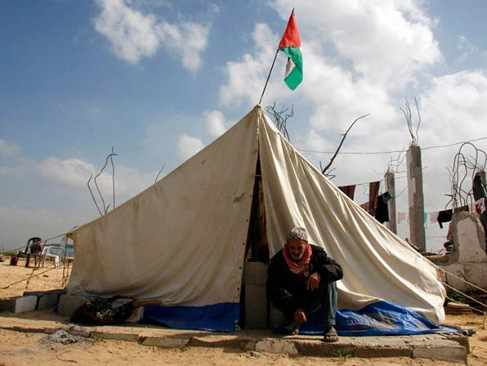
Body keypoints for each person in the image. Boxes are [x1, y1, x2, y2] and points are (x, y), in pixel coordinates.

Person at [267, 226, 343, 342]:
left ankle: (329, 326)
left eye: (299, 248)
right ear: (287, 246)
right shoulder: (278, 261)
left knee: (329, 281)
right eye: (292, 248)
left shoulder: (317, 254)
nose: (296, 251)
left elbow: (338, 270)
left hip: (311, 298)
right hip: (291, 302)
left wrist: (319, 274)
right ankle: (293, 322)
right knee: (276, 325)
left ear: (306, 245)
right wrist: (295, 309)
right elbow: (274, 290)